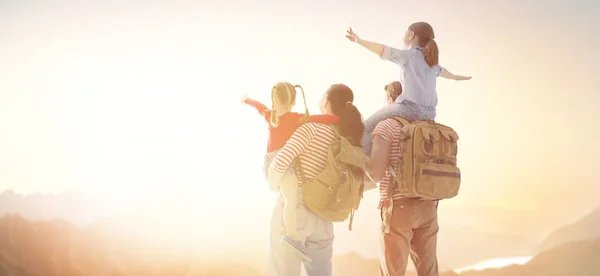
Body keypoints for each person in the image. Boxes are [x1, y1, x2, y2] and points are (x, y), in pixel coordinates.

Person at [267, 84, 365, 276]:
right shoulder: (349, 137)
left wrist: (273, 185)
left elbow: (280, 163)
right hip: (325, 218)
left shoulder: (312, 129)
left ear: (326, 102)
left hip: (296, 212)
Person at [241, 82, 340, 258]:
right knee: (291, 201)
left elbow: (259, 107)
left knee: (287, 198)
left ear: (274, 99)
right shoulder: (297, 118)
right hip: (286, 164)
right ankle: (292, 237)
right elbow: (323, 119)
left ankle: (292, 237)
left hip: (271, 162)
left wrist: (247, 99)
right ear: (294, 101)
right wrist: (341, 118)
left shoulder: (270, 116)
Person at [345, 22, 471, 156]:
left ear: (411, 35)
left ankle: (361, 166)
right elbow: (444, 72)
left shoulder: (408, 56)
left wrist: (359, 41)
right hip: (430, 114)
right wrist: (456, 77)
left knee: (366, 128)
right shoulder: (431, 61)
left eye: (406, 32)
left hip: (409, 109)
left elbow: (381, 49)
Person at [367, 115, 440, 276]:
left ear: (392, 100)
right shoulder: (428, 127)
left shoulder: (387, 126)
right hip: (429, 207)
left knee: (393, 272)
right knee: (429, 272)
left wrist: (359, 158)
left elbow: (376, 174)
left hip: (398, 208)